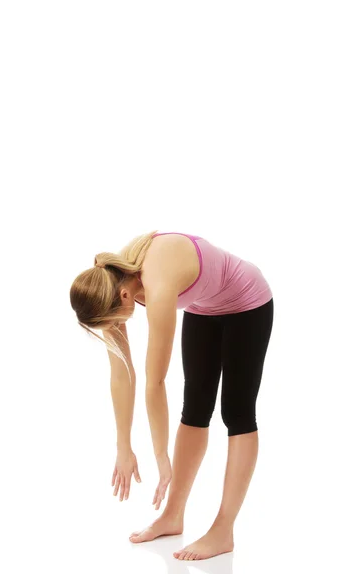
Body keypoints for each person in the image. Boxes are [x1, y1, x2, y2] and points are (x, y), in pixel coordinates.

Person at [69, 230, 274, 561]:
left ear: (123, 297)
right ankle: (172, 515)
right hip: (205, 307)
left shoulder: (157, 282)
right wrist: (124, 447)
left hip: (247, 302)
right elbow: (122, 376)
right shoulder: (111, 283)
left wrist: (161, 456)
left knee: (236, 413)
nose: (116, 328)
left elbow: (156, 381)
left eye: (112, 323)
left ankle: (223, 530)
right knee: (194, 409)